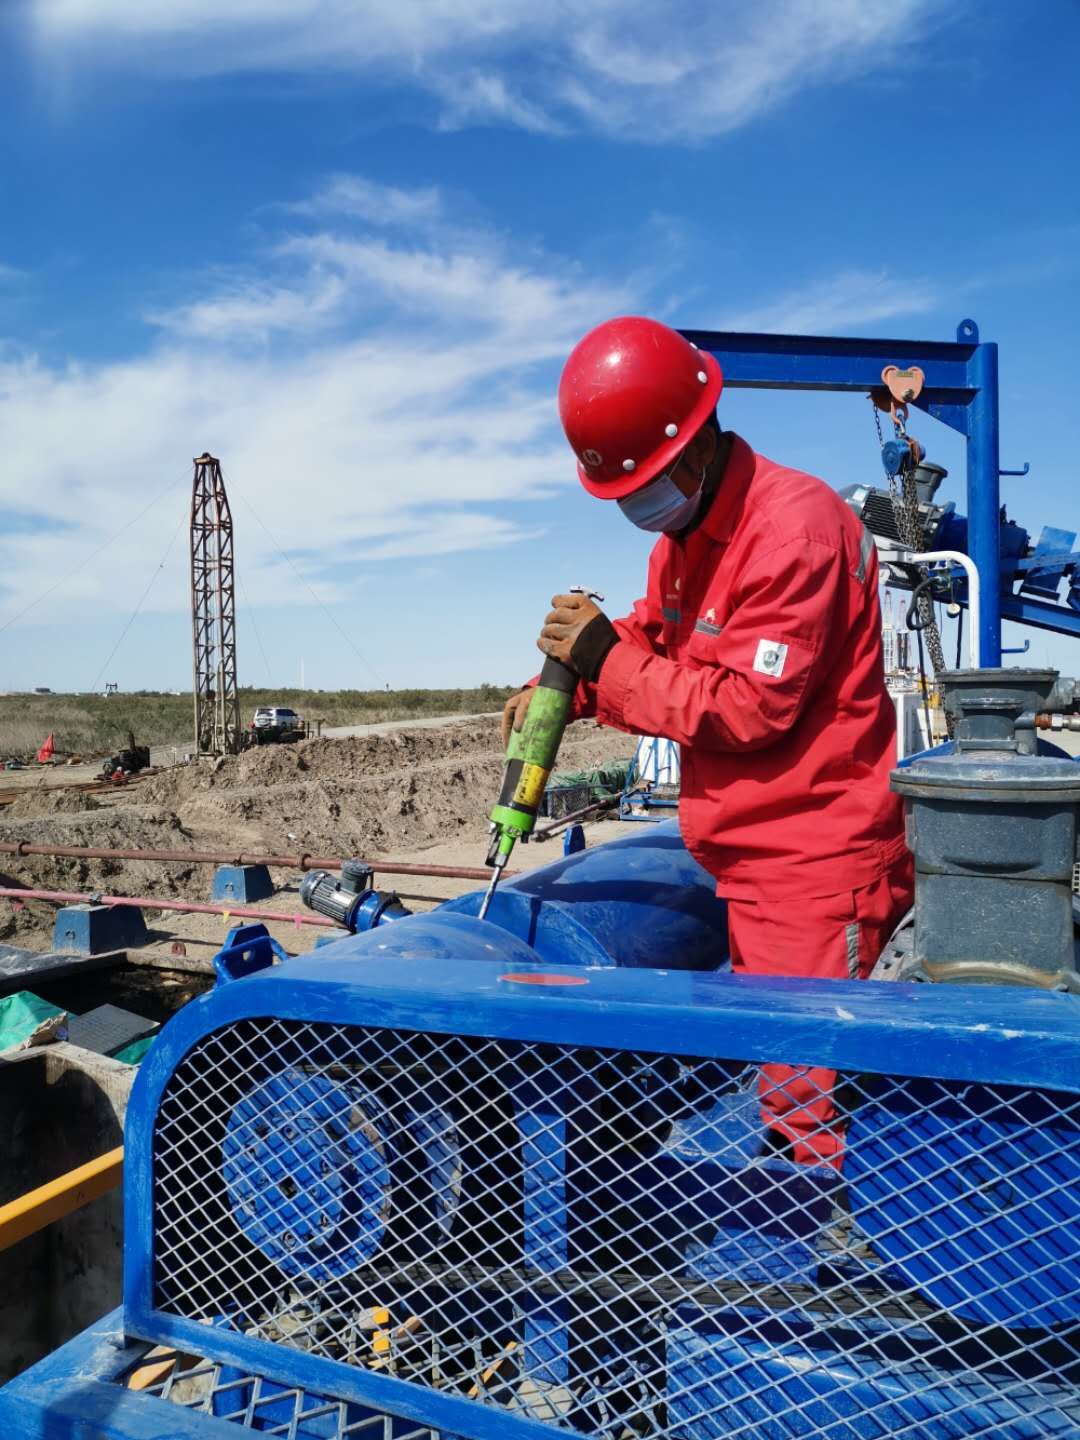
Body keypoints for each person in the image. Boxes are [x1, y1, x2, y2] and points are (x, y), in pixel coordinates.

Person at [502, 316, 913, 1168]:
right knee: (780, 1081)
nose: (635, 507)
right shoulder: (684, 543)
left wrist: (606, 660)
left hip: (814, 868)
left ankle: (839, 1246)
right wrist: (572, 687)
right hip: (749, 864)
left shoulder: (794, 530)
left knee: (814, 1108)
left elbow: (751, 707)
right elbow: (656, 641)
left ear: (693, 447)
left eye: (641, 485)